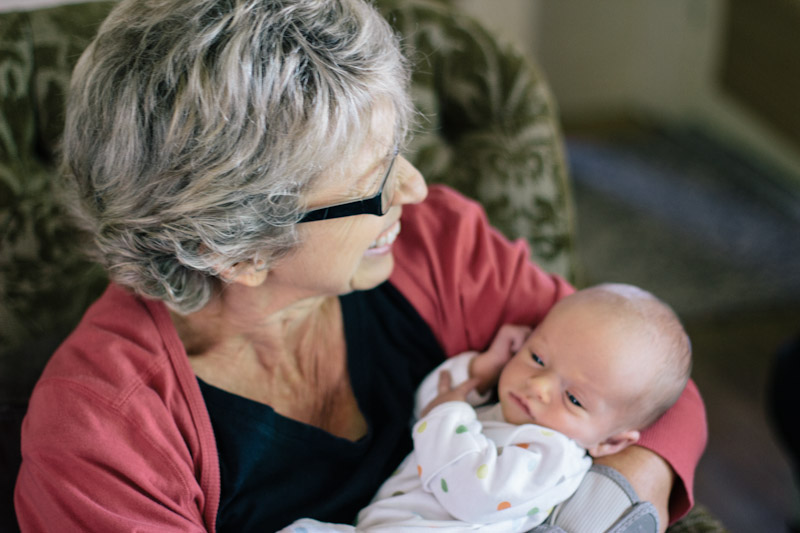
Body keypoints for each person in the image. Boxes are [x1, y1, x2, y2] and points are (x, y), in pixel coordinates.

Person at [13, 0, 706, 532]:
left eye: (400, 146)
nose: (417, 189)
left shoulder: (437, 244)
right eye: (374, 183)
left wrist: (610, 501)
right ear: (238, 248)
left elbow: (647, 381)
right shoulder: (106, 433)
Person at [281, 283, 692, 532]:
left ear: (612, 440)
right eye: (537, 358)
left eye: (574, 398)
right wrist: (482, 370)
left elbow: (471, 490)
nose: (540, 386)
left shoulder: (553, 458)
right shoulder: (499, 413)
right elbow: (428, 408)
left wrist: (448, 415)